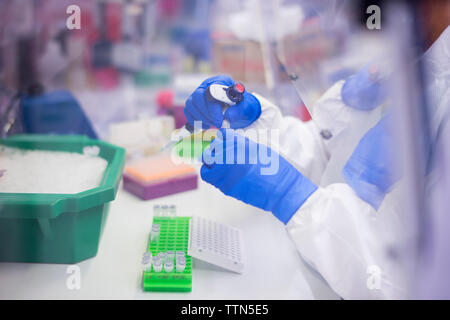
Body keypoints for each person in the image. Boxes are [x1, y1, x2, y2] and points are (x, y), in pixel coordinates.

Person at [184, 20, 450, 298]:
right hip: (309, 269)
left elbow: (406, 286)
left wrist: (290, 193)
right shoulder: (422, 47)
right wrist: (252, 123)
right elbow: (324, 148)